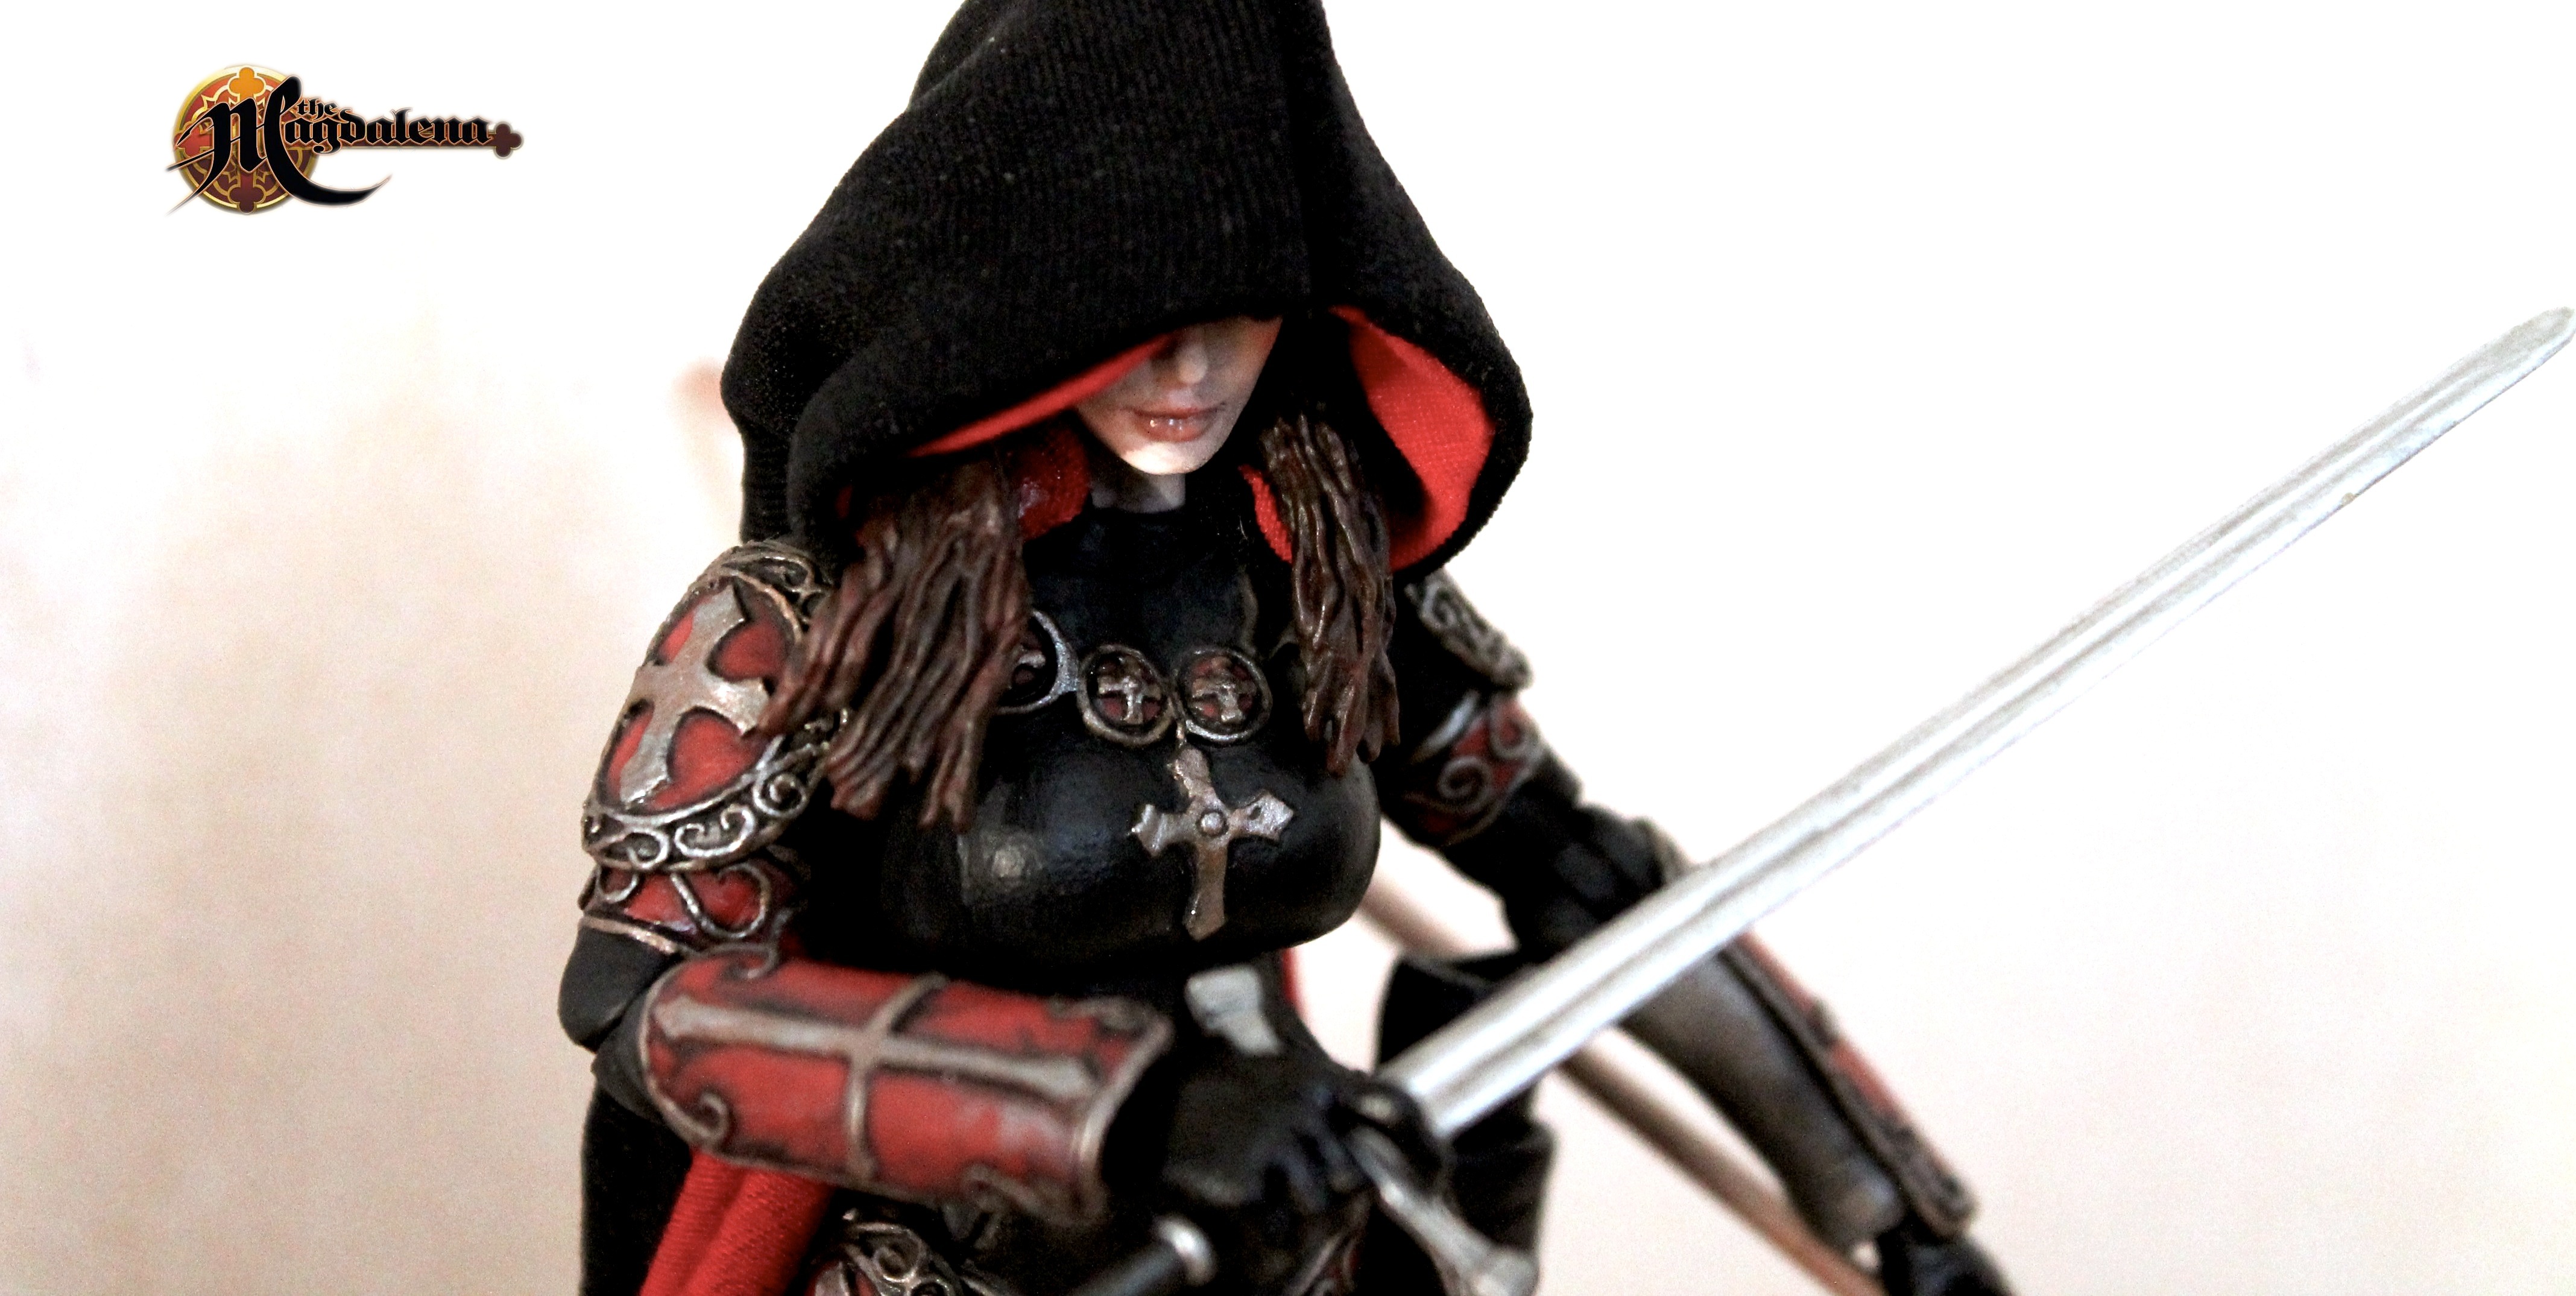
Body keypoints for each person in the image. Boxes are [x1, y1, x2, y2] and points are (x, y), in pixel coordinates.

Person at [556, 2, 2012, 1294]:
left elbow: (1582, 877)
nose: (1191, 371)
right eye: (1135, 318)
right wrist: (1118, 1109)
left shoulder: (1324, 583)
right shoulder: (815, 617)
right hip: (937, 1266)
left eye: (1239, 309)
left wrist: (1895, 1206)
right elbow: (647, 1003)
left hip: (1304, 1249)